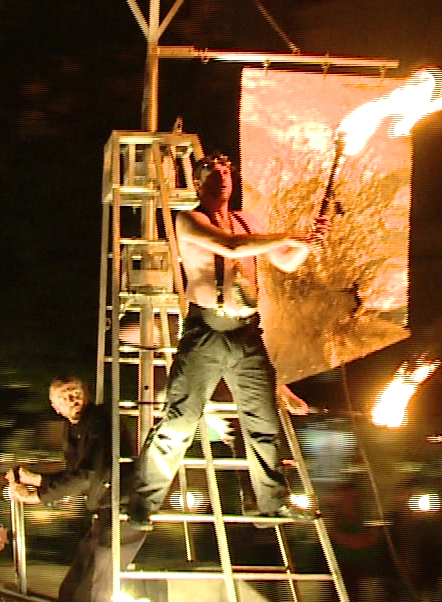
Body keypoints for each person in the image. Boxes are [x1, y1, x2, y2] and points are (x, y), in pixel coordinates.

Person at [124, 152, 326, 527]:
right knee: (179, 421)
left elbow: (286, 262)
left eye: (225, 171)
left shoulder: (247, 221)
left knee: (264, 421)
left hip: (246, 333)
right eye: (212, 172)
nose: (222, 177)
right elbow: (231, 246)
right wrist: (290, 236)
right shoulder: (189, 220)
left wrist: (308, 242)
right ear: (198, 183)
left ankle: (271, 502)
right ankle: (142, 502)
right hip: (206, 332)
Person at [7, 375, 137, 602]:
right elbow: (75, 475)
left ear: (85, 393)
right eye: (63, 396)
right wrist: (36, 480)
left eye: (75, 392)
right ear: (55, 406)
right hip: (104, 512)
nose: (71, 399)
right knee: (71, 589)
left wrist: (38, 496)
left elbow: (87, 476)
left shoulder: (101, 421)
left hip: (123, 511)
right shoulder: (72, 429)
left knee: (89, 593)